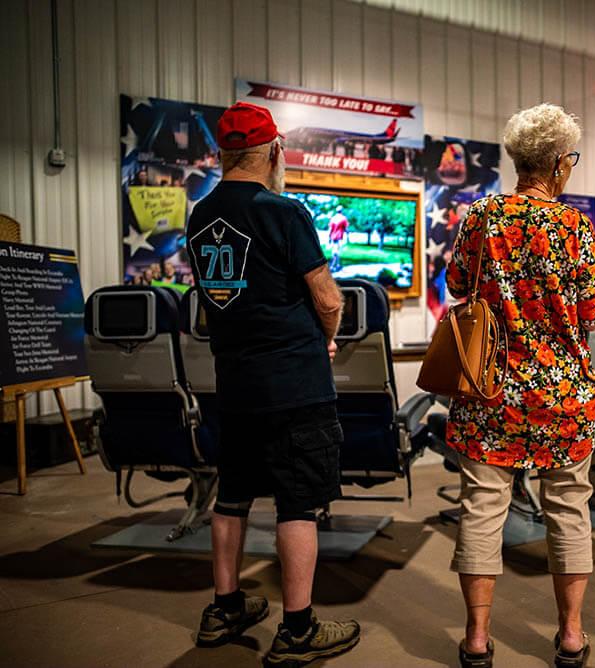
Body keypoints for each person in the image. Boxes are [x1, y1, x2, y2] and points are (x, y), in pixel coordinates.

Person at [185, 101, 360, 666]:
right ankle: (299, 631)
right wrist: (323, 334)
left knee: (231, 495)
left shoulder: (198, 215)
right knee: (297, 503)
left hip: (233, 382)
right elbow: (329, 298)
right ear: (274, 151)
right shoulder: (284, 211)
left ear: (222, 154)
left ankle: (226, 607)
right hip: (293, 384)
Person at [445, 103, 595, 668]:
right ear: (559, 163)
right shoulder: (574, 226)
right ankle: (569, 636)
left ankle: (477, 641)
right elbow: (591, 308)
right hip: (562, 394)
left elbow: (459, 283)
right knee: (568, 508)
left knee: (482, 508)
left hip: (492, 390)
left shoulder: (480, 215)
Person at [328, 205, 349, 272]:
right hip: (339, 237)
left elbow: (330, 229)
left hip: (333, 237)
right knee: (336, 252)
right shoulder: (343, 218)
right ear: (342, 210)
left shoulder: (333, 218)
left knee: (335, 251)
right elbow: (346, 228)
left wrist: (329, 237)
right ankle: (332, 266)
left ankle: (337, 265)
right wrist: (348, 233)